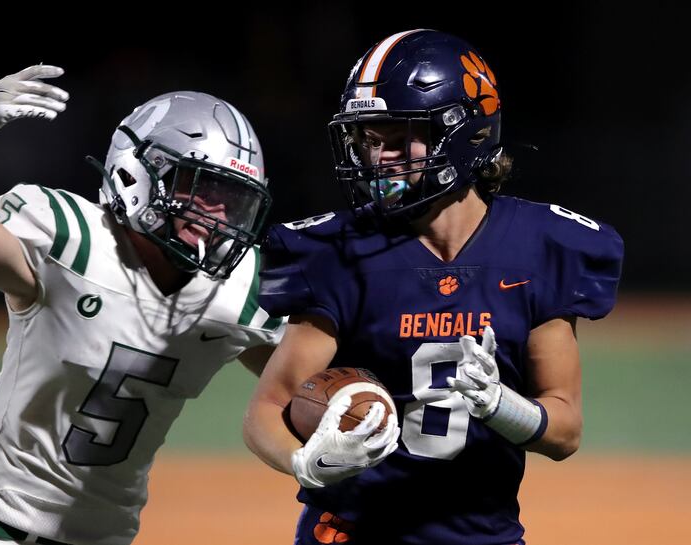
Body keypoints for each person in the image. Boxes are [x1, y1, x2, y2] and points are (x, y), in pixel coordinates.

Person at [243, 29, 623, 545]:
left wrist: (501, 406)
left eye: (398, 138)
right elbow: (268, 409)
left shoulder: (538, 247)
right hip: (355, 534)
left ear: (465, 135)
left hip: (483, 536)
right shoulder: (338, 251)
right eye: (370, 140)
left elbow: (565, 429)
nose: (381, 159)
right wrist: (304, 462)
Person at [0, 65, 283, 545]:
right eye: (202, 187)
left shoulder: (234, 288)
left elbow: (295, 381)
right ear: (139, 173)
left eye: (231, 199)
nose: (217, 212)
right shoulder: (70, 240)